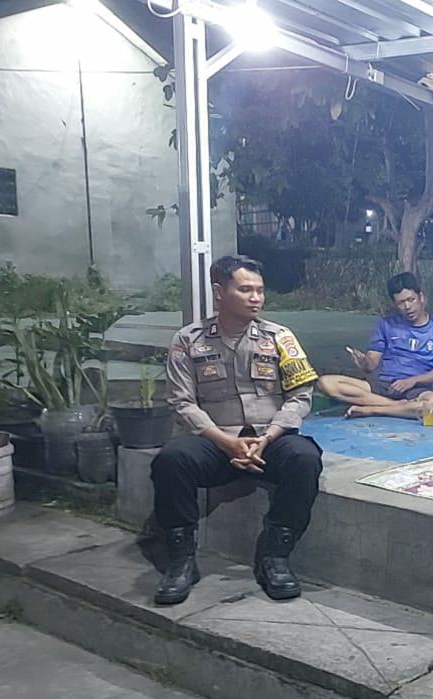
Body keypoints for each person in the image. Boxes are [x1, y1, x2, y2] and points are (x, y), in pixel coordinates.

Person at [150, 255, 323, 606]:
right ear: (219, 292)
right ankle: (181, 561)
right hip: (216, 442)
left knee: (304, 458)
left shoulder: (280, 338)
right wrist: (225, 441)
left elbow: (301, 396)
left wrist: (269, 436)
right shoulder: (188, 340)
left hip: (269, 439)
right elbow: (182, 402)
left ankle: (276, 558)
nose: (256, 298)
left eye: (260, 290)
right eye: (245, 290)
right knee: (171, 460)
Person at [317, 273, 433, 420]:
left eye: (411, 300)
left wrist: (413, 381)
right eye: (401, 302)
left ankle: (373, 410)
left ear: (421, 297)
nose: (407, 307)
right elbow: (371, 365)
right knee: (325, 383)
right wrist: (364, 362)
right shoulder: (387, 324)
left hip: (417, 390)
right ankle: (396, 407)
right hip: (384, 385)